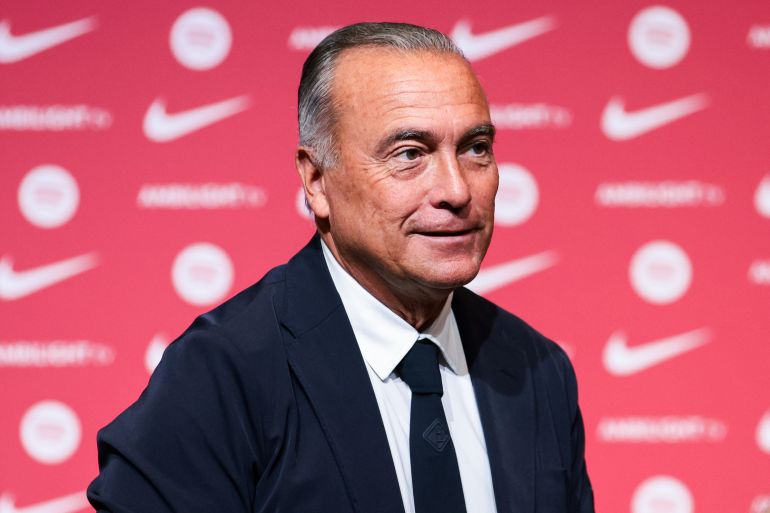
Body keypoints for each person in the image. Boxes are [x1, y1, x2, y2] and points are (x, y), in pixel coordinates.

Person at [87, 22, 594, 513]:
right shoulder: (220, 373)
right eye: (410, 154)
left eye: (476, 149)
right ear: (316, 181)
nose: (457, 190)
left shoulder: (537, 371)